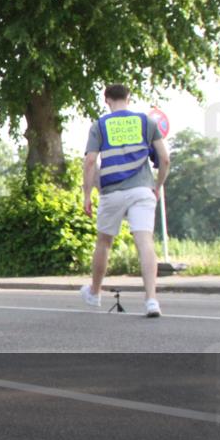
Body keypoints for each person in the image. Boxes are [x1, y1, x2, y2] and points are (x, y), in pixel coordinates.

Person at [81, 84, 170, 318]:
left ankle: (95, 293)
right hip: (142, 190)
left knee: (104, 243)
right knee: (145, 242)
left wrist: (87, 195)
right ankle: (151, 300)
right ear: (128, 98)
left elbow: (90, 162)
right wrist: (157, 186)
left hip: (112, 192)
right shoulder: (146, 122)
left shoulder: (100, 126)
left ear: (107, 100)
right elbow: (165, 159)